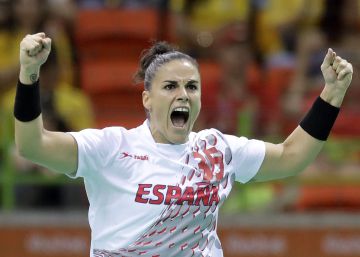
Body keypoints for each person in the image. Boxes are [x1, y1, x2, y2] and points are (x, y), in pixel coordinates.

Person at [14, 32, 353, 256]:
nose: (183, 94)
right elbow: (33, 145)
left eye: (192, 87)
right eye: (170, 86)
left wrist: (331, 96)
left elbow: (291, 156)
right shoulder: (111, 147)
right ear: (147, 98)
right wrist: (29, 73)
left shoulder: (217, 150)